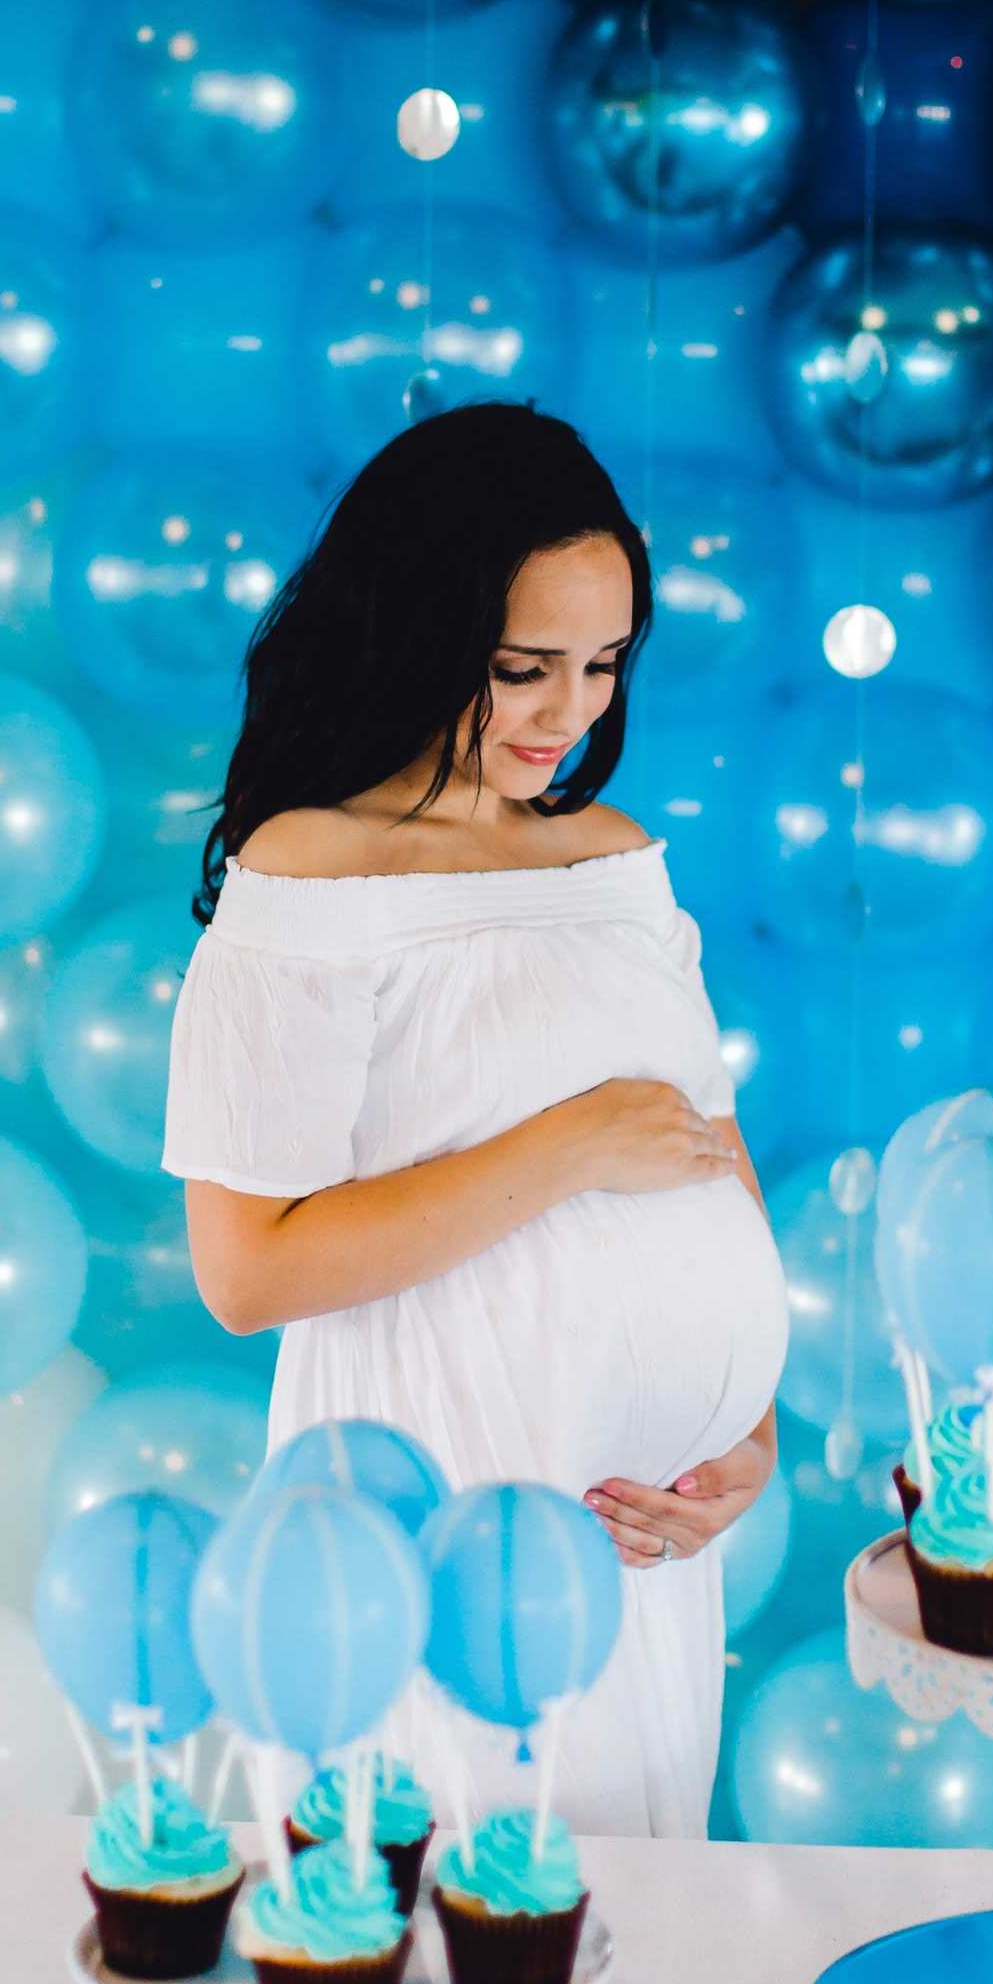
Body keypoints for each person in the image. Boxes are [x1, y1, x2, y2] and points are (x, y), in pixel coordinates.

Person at [162, 403, 788, 1836]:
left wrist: (745, 1435)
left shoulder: (613, 859)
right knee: (444, 1944)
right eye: (523, 669)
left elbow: (706, 1147)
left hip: (637, 1546)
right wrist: (558, 1150)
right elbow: (248, 1270)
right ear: (421, 631)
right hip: (433, 1526)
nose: (569, 714)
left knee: (628, 1945)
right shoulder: (313, 876)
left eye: (603, 665)